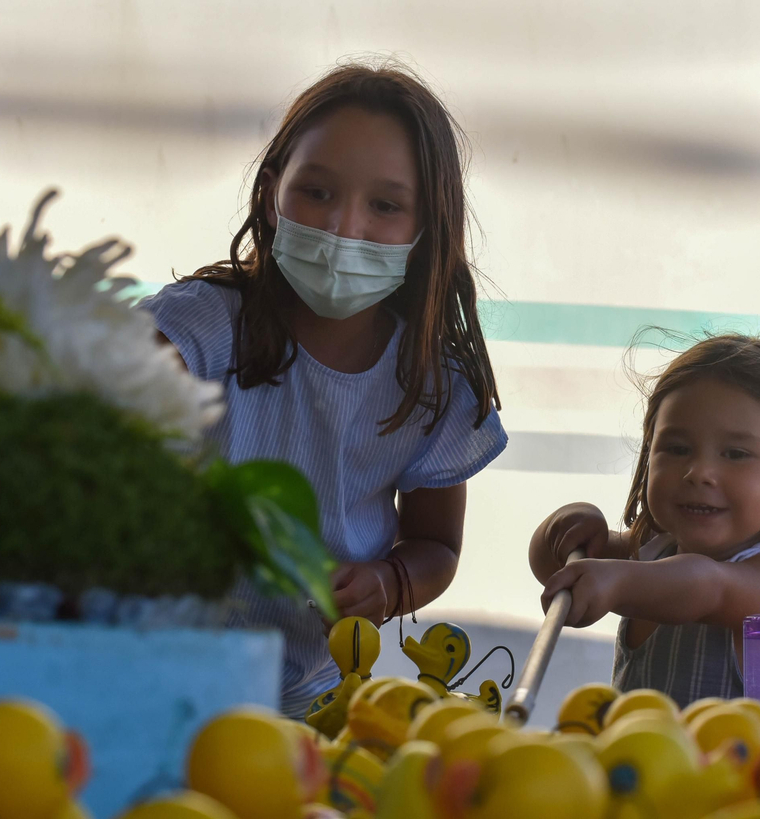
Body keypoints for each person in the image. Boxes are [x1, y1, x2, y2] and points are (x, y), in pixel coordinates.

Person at [142, 64, 506, 715]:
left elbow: (437, 546)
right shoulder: (200, 326)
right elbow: (94, 423)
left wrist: (389, 583)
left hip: (301, 697)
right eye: (316, 192)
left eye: (386, 206)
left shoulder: (433, 386)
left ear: (428, 229)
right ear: (271, 190)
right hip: (144, 670)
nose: (342, 228)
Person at [528, 335, 760, 707]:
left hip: (723, 767)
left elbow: (707, 587)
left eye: (736, 454)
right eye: (677, 449)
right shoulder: (649, 553)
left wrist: (616, 580)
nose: (698, 472)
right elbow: (553, 568)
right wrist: (565, 529)